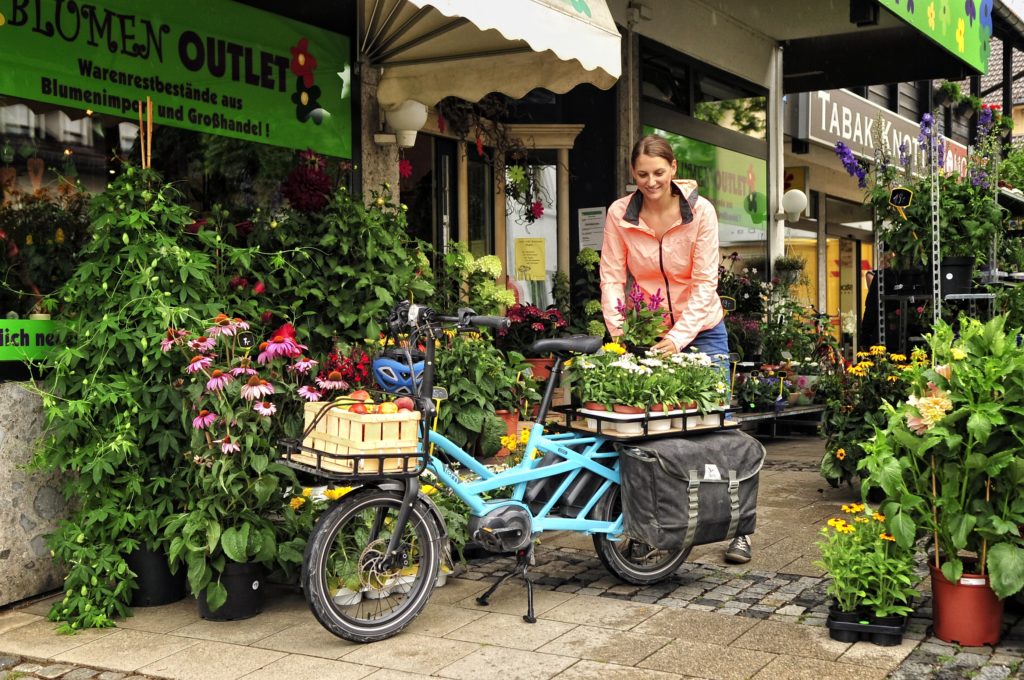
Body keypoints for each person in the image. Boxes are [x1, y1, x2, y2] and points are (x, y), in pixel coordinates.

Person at [599, 133, 751, 564]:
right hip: (646, 331)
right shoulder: (620, 214)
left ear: (674, 169)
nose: (651, 182)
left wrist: (677, 339)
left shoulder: (700, 212)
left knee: (714, 431)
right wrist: (621, 334)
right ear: (633, 173)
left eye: (659, 173)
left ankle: (739, 528)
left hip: (701, 330)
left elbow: (705, 284)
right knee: (648, 437)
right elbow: (612, 277)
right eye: (643, 174)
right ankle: (650, 529)